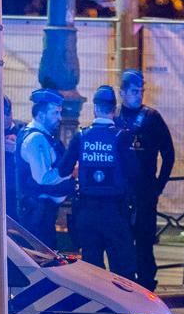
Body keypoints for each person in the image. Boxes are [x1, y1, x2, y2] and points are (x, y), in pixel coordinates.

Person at [57, 85, 139, 281]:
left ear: (94, 108)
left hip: (86, 213)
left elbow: (63, 170)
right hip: (115, 213)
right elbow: (134, 171)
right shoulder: (122, 137)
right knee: (123, 272)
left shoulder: (81, 136)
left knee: (92, 274)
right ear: (114, 109)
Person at [116, 70, 176, 291]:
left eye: (141, 91)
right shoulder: (116, 118)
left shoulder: (152, 118)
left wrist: (158, 185)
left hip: (145, 190)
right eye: (134, 91)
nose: (139, 95)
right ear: (122, 93)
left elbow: (168, 154)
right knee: (122, 241)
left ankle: (147, 285)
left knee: (144, 241)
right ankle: (124, 284)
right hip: (121, 191)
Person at [16, 88, 76, 248]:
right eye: (55, 113)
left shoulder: (42, 136)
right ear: (41, 115)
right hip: (37, 214)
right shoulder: (36, 139)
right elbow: (43, 178)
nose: (59, 118)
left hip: (41, 213)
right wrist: (70, 173)